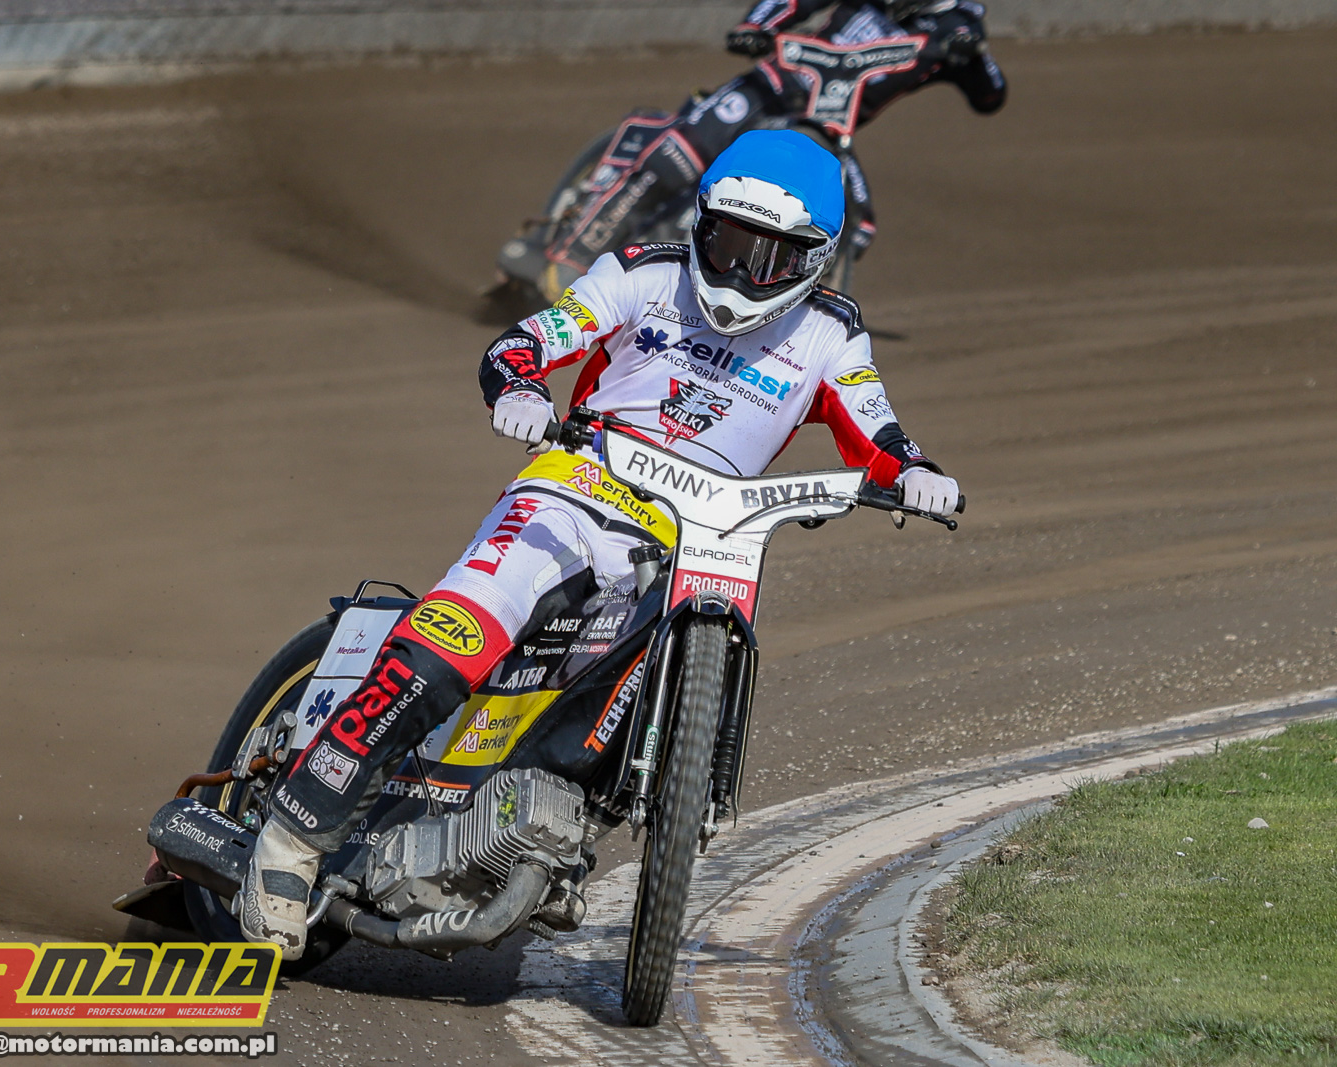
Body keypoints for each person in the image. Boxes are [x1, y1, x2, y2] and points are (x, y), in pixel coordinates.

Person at [239, 129, 961, 958]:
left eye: (772, 258)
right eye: (728, 242)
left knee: (629, 684)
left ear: (817, 261)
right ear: (700, 222)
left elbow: (878, 430)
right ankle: (290, 839)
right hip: (573, 494)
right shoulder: (642, 275)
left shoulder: (832, 334)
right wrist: (518, 385)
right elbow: (531, 339)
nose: (741, 273)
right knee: (455, 639)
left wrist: (915, 471)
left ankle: (545, 828)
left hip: (698, 540)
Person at [546, 0, 1006, 290]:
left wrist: (973, 54)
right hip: (770, 87)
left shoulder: (956, 24)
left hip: (825, 128)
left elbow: (991, 96)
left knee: (858, 226)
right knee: (679, 156)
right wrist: (756, 25)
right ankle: (573, 255)